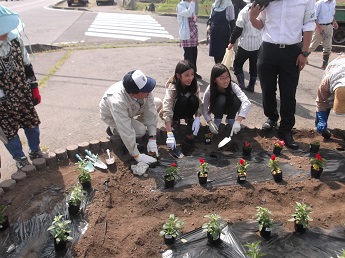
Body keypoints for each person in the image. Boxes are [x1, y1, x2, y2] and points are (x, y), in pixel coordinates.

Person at [249, 0, 316, 149]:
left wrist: (304, 52)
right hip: (268, 50)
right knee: (267, 89)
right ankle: (271, 118)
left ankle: (285, 129)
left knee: (288, 92)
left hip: (292, 52)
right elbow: (260, 24)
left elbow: (309, 25)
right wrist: (252, 17)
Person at [0, 6, 42, 170]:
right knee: (9, 132)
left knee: (31, 123)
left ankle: (35, 150)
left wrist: (33, 87)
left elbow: (27, 65)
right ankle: (20, 157)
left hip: (22, 92)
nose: (6, 32)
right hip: (2, 100)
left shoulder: (15, 40)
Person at [99, 70, 162, 165]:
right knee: (140, 131)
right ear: (133, 94)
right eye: (146, 90)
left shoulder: (143, 89)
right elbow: (126, 130)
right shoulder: (117, 101)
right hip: (112, 115)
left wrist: (152, 138)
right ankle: (115, 130)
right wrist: (137, 155)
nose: (149, 92)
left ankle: (133, 125)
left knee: (158, 103)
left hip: (131, 108)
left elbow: (151, 112)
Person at [160, 60, 202, 150]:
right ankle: (175, 122)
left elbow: (199, 102)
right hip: (176, 110)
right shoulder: (172, 86)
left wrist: (198, 117)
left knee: (194, 99)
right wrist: (169, 133)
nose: (190, 78)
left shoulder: (195, 85)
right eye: (187, 75)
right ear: (178, 75)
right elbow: (166, 108)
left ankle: (190, 120)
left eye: (192, 75)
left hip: (188, 110)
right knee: (182, 100)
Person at [202, 63, 251, 135]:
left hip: (229, 108)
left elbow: (247, 102)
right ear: (214, 80)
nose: (225, 81)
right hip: (216, 108)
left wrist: (238, 121)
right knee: (221, 98)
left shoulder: (233, 85)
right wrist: (210, 122)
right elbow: (204, 108)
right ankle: (217, 120)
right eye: (221, 78)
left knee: (237, 99)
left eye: (227, 77)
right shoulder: (210, 89)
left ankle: (231, 119)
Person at [228, 0, 263, 92]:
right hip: (258, 44)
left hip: (245, 45)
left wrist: (231, 41)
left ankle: (241, 85)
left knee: (237, 64)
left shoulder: (244, 11)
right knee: (254, 66)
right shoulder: (262, 10)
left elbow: (238, 29)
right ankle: (251, 86)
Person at [315, 54, 345, 139]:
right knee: (326, 103)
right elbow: (321, 101)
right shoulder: (326, 83)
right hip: (336, 66)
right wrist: (322, 120)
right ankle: (321, 129)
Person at [308, 0, 338, 69]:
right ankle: (305, 56)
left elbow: (331, 14)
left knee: (328, 46)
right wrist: (319, 28)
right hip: (320, 26)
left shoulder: (333, 2)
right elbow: (314, 17)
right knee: (313, 46)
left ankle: (325, 64)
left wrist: (334, 22)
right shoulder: (319, 3)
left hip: (329, 26)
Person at [176, 0, 202, 79]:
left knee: (194, 54)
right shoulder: (180, 5)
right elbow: (187, 13)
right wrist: (193, 3)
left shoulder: (189, 4)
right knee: (188, 55)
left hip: (193, 33)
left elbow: (192, 14)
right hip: (186, 34)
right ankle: (186, 72)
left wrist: (195, 17)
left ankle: (194, 72)